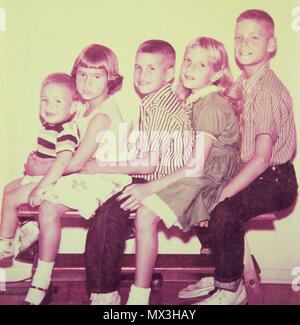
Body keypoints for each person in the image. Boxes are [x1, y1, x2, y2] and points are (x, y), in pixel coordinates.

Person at [180, 9, 298, 305]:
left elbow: (260, 159)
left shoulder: (267, 91)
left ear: (271, 45)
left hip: (275, 180)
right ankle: (219, 269)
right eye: (239, 37)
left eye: (253, 38)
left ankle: (231, 289)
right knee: (197, 188)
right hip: (250, 171)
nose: (244, 44)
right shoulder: (243, 83)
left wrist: (224, 192)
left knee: (223, 208)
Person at [119, 37, 241, 305]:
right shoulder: (197, 99)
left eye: (201, 64)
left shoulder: (210, 105)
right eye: (188, 61)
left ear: (217, 73)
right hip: (202, 172)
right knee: (141, 211)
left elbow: (196, 166)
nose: (190, 69)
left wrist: (150, 186)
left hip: (211, 178)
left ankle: (139, 297)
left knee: (145, 214)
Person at [21, 44, 132, 305]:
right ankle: (28, 234)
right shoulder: (85, 109)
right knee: (22, 191)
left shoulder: (102, 116)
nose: (87, 82)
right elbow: (66, 150)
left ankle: (41, 280)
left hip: (103, 179)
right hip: (86, 174)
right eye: (82, 74)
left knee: (48, 206)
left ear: (111, 80)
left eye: (96, 76)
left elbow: (77, 162)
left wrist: (39, 168)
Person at [83, 39, 192, 305]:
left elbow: (149, 165)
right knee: (104, 204)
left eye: (151, 69)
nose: (142, 75)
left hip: (168, 181)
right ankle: (104, 291)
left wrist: (101, 166)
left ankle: (110, 294)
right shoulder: (151, 103)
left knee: (108, 213)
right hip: (153, 175)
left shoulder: (161, 108)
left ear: (168, 74)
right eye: (138, 68)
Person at [0, 73, 79, 268]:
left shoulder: (66, 131)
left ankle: (5, 244)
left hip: (52, 181)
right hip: (39, 177)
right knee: (8, 189)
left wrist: (40, 187)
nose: (49, 106)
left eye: (58, 101)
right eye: (45, 100)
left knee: (11, 199)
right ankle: (29, 227)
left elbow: (62, 163)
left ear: (73, 107)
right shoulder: (50, 126)